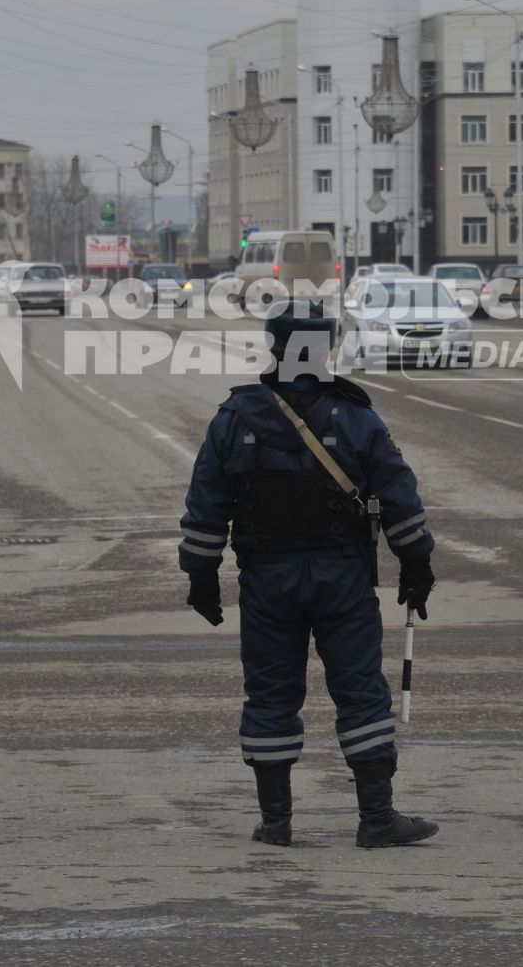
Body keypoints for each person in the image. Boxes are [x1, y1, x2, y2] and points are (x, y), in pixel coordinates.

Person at [179, 305, 440, 849]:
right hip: (342, 579)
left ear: (272, 348)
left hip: (267, 583)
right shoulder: (357, 417)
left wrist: (200, 575)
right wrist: (416, 564)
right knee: (360, 693)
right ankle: (377, 820)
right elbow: (400, 498)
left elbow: (206, 506)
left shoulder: (235, 418)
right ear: (328, 350)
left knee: (271, 694)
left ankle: (276, 823)